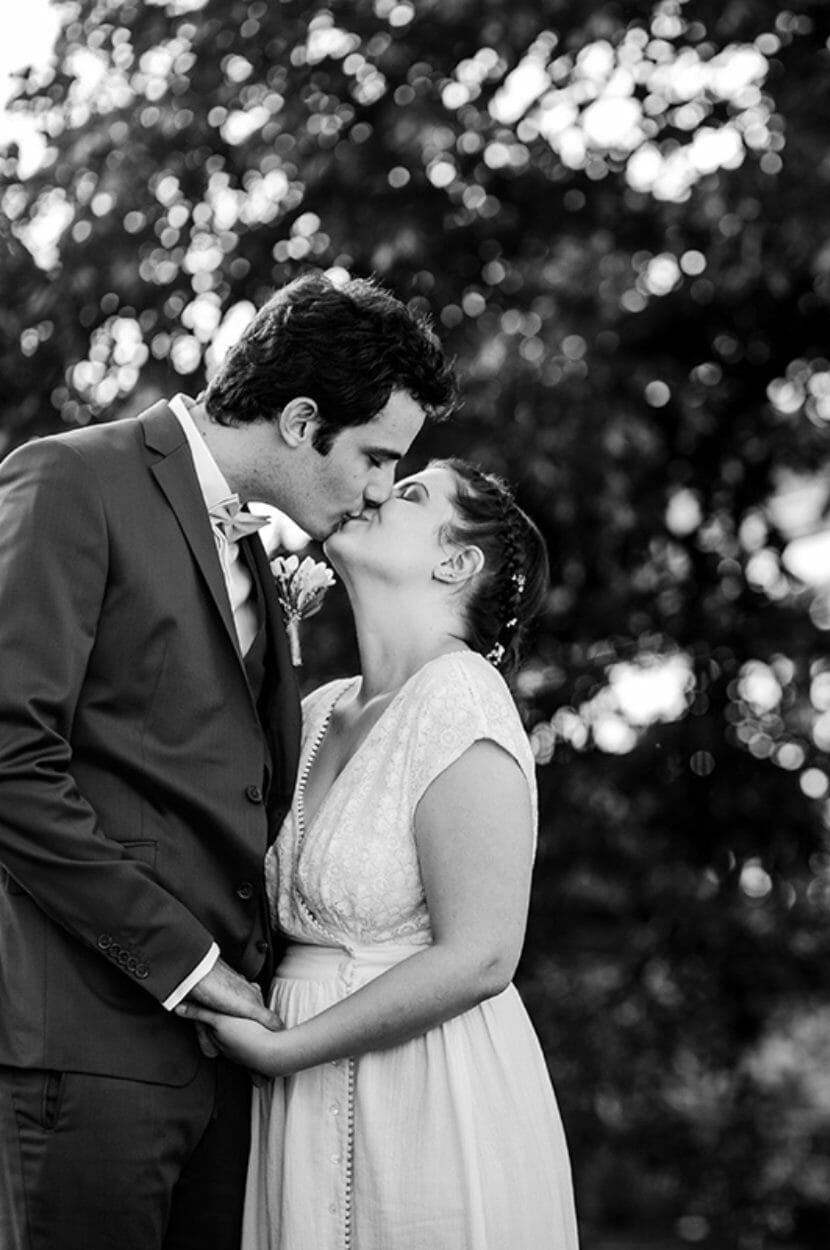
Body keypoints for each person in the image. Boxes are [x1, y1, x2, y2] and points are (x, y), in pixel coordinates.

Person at [0, 272, 457, 1250]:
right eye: (378, 456)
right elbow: (9, 760)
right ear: (301, 419)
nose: (380, 488)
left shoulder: (250, 547)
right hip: (85, 1051)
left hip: (219, 1067)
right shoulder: (74, 480)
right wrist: (190, 965)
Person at [181, 459, 578, 1249]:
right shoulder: (321, 709)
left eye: (410, 494)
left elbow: (482, 956)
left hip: (422, 1097)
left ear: (455, 561)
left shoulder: (460, 697)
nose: (373, 492)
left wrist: (287, 1048)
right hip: (291, 1100)